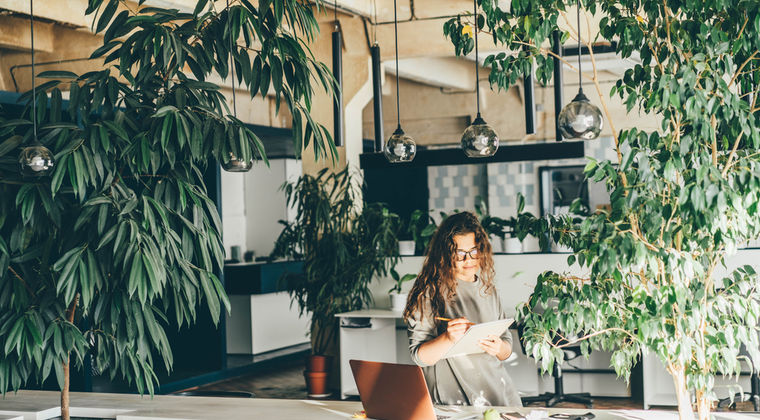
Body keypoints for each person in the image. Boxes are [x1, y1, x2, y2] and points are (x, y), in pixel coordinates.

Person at [403, 211, 521, 407]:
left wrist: (500, 347)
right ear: (446, 254)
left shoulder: (488, 290)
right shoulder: (429, 293)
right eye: (459, 254)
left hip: (497, 393)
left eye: (474, 251)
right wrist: (447, 338)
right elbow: (420, 357)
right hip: (454, 402)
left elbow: (506, 347)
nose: (469, 260)